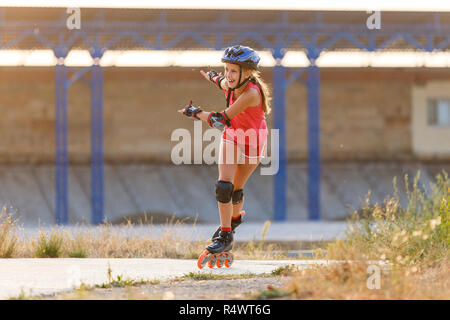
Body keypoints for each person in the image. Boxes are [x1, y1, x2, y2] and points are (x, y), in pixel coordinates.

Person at [178, 45, 271, 261]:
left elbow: (221, 119)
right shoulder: (231, 83)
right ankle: (225, 234)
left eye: (233, 71)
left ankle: (235, 218)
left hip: (252, 141)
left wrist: (195, 112)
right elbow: (220, 81)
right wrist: (212, 76)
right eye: (226, 69)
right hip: (232, 135)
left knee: (237, 190)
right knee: (224, 187)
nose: (228, 75)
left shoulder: (251, 94)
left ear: (247, 74)